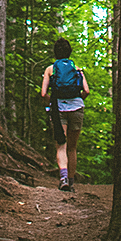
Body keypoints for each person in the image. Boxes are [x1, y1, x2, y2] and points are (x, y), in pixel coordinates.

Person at [39, 37, 91, 191]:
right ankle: (71, 181)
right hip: (77, 109)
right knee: (72, 147)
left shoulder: (50, 69)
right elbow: (86, 91)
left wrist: (52, 103)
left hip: (59, 110)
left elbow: (43, 94)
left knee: (61, 146)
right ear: (69, 52)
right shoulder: (77, 69)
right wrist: (77, 100)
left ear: (55, 53)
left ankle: (63, 179)